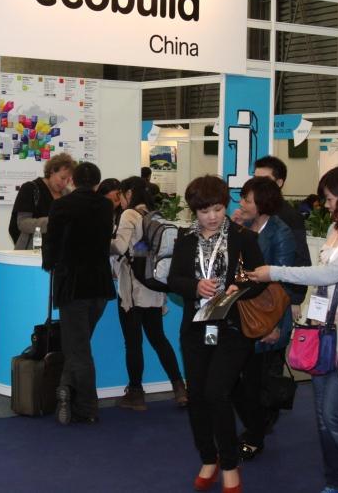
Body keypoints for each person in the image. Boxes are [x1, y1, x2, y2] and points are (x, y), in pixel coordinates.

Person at [251, 165, 338, 493]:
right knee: (324, 419)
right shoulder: (335, 230)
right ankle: (336, 480)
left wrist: (275, 272)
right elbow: (325, 282)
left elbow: (327, 275)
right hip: (323, 334)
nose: (325, 205)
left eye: (329, 198)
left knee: (334, 416)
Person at [168, 175, 265, 493]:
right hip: (196, 327)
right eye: (204, 211)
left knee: (217, 393)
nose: (212, 216)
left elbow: (259, 278)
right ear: (194, 211)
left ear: (226, 205)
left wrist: (240, 287)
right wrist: (195, 286)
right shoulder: (185, 239)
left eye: (218, 209)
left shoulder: (243, 237)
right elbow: (174, 279)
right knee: (196, 395)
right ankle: (208, 458)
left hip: (232, 327)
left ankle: (229, 464)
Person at [42, 161, 115, 425]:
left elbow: (52, 242)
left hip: (73, 286)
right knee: (78, 345)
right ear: (97, 183)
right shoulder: (106, 206)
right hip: (100, 286)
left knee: (78, 349)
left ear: (72, 180)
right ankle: (65, 388)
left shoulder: (62, 205)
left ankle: (86, 406)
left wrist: (50, 263)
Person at [230, 175, 297, 461]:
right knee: (235, 379)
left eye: (247, 200)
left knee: (256, 383)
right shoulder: (242, 227)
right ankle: (255, 428)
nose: (242, 204)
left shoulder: (280, 233)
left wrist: (275, 326)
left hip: (266, 318)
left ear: (263, 203)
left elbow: (284, 284)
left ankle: (255, 435)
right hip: (241, 314)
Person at [109, 176, 186, 411]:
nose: (120, 200)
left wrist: (101, 241)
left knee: (133, 342)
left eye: (121, 195)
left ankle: (135, 393)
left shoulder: (129, 215)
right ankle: (179, 388)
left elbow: (119, 247)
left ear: (128, 193)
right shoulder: (155, 215)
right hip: (153, 287)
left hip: (133, 289)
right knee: (159, 339)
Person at [8, 152, 75, 249]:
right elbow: (22, 223)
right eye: (62, 178)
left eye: (68, 180)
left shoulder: (67, 194)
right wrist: (52, 222)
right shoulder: (30, 188)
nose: (64, 183)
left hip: (58, 252)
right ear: (52, 171)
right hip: (32, 252)